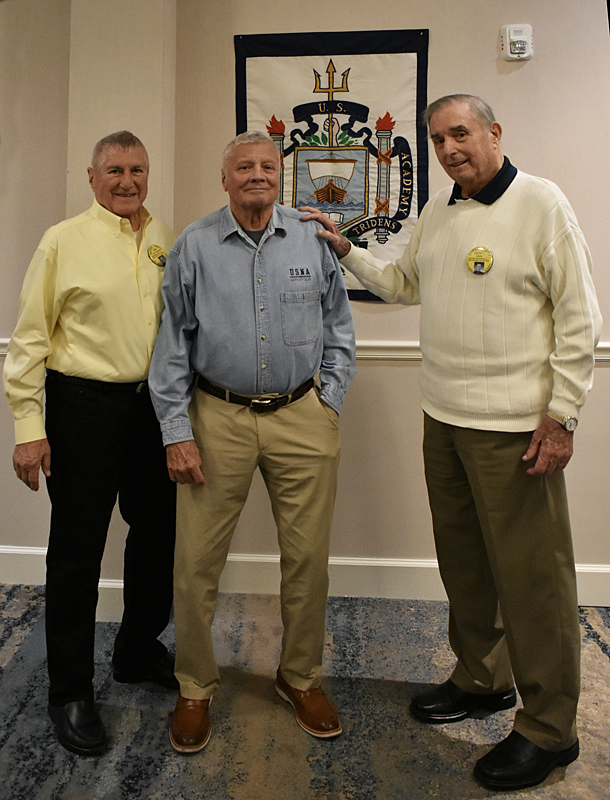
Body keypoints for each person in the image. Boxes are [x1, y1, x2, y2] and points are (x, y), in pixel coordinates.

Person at [301, 94, 602, 792]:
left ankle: (550, 729)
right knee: (465, 565)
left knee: (533, 582)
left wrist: (561, 417)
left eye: (460, 133)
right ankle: (482, 677)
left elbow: (580, 318)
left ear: (495, 132)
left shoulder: (543, 204)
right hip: (443, 417)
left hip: (515, 430)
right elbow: (405, 282)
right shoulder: (440, 209)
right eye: (438, 139)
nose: (449, 149)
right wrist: (347, 250)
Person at [148, 130, 356, 754]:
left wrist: (328, 401)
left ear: (280, 175)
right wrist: (177, 433)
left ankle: (301, 677)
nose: (257, 175)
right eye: (244, 166)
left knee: (307, 560)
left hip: (301, 418)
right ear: (225, 178)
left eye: (267, 165)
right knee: (195, 564)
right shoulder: (194, 245)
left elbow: (339, 326)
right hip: (217, 418)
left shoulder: (311, 240)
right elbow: (171, 345)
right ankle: (194, 685)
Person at [3, 131, 178, 757]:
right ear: (92, 177)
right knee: (77, 553)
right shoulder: (62, 241)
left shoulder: (164, 240)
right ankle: (70, 692)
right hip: (83, 410)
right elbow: (29, 339)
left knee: (157, 535)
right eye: (115, 170)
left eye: (137, 170)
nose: (127, 181)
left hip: (153, 410)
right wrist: (29, 429)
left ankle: (136, 649)